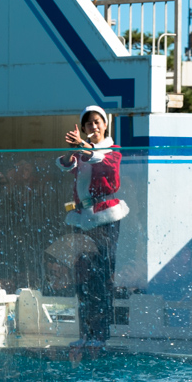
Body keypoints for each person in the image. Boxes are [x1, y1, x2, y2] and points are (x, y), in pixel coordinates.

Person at [56, 106, 129, 348]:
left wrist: (84, 148)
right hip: (82, 218)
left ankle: (101, 335)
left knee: (101, 277)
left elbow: (107, 165)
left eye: (97, 122)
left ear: (105, 125)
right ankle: (85, 334)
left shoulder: (112, 149)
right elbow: (66, 164)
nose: (94, 127)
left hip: (105, 218)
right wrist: (72, 151)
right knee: (82, 276)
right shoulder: (82, 150)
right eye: (89, 124)